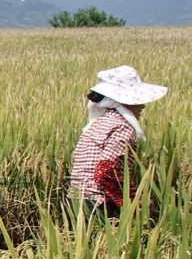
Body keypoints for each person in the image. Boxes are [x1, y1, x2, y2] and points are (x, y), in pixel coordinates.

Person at [68, 65, 167, 218]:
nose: (142, 106)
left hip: (73, 201)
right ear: (125, 102)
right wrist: (132, 201)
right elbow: (105, 171)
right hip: (98, 205)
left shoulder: (95, 124)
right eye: (138, 101)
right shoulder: (122, 127)